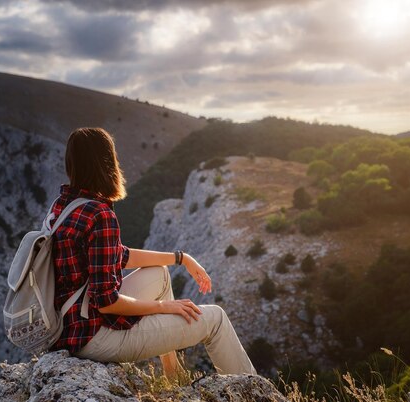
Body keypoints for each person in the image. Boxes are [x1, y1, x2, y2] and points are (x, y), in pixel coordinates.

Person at [49, 127, 256, 377]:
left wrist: (181, 258)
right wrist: (164, 307)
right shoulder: (100, 215)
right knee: (216, 319)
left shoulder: (64, 206)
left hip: (70, 325)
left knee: (160, 273)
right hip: (92, 337)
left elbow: (118, 255)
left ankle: (172, 372)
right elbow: (106, 302)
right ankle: (256, 399)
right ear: (107, 163)